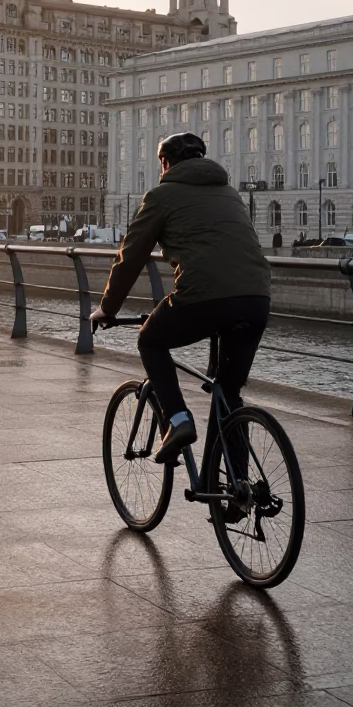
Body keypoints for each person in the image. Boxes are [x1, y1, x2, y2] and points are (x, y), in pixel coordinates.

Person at [90, 133, 271, 464]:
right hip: (257, 298)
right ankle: (236, 490)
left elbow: (131, 256)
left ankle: (178, 420)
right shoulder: (230, 193)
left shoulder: (162, 195)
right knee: (228, 392)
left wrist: (108, 308)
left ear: (165, 163)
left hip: (205, 296)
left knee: (151, 340)